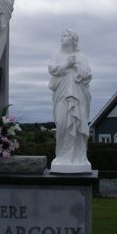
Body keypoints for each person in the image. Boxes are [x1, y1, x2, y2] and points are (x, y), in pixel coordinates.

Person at [48, 30, 92, 173]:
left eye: (65, 36)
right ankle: (62, 156)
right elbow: (52, 69)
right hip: (61, 95)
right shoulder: (57, 55)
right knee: (61, 123)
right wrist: (67, 64)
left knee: (77, 125)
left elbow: (88, 75)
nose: (62, 38)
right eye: (62, 36)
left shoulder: (82, 57)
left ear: (73, 40)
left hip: (78, 96)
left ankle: (78, 157)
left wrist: (76, 66)